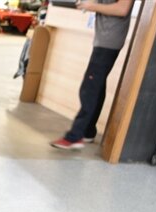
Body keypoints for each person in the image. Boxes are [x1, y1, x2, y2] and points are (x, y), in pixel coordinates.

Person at [50, 0, 135, 150]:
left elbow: (122, 9)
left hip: (109, 41)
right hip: (103, 39)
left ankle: (74, 136)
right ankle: (88, 131)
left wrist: (91, 6)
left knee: (89, 89)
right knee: (97, 87)